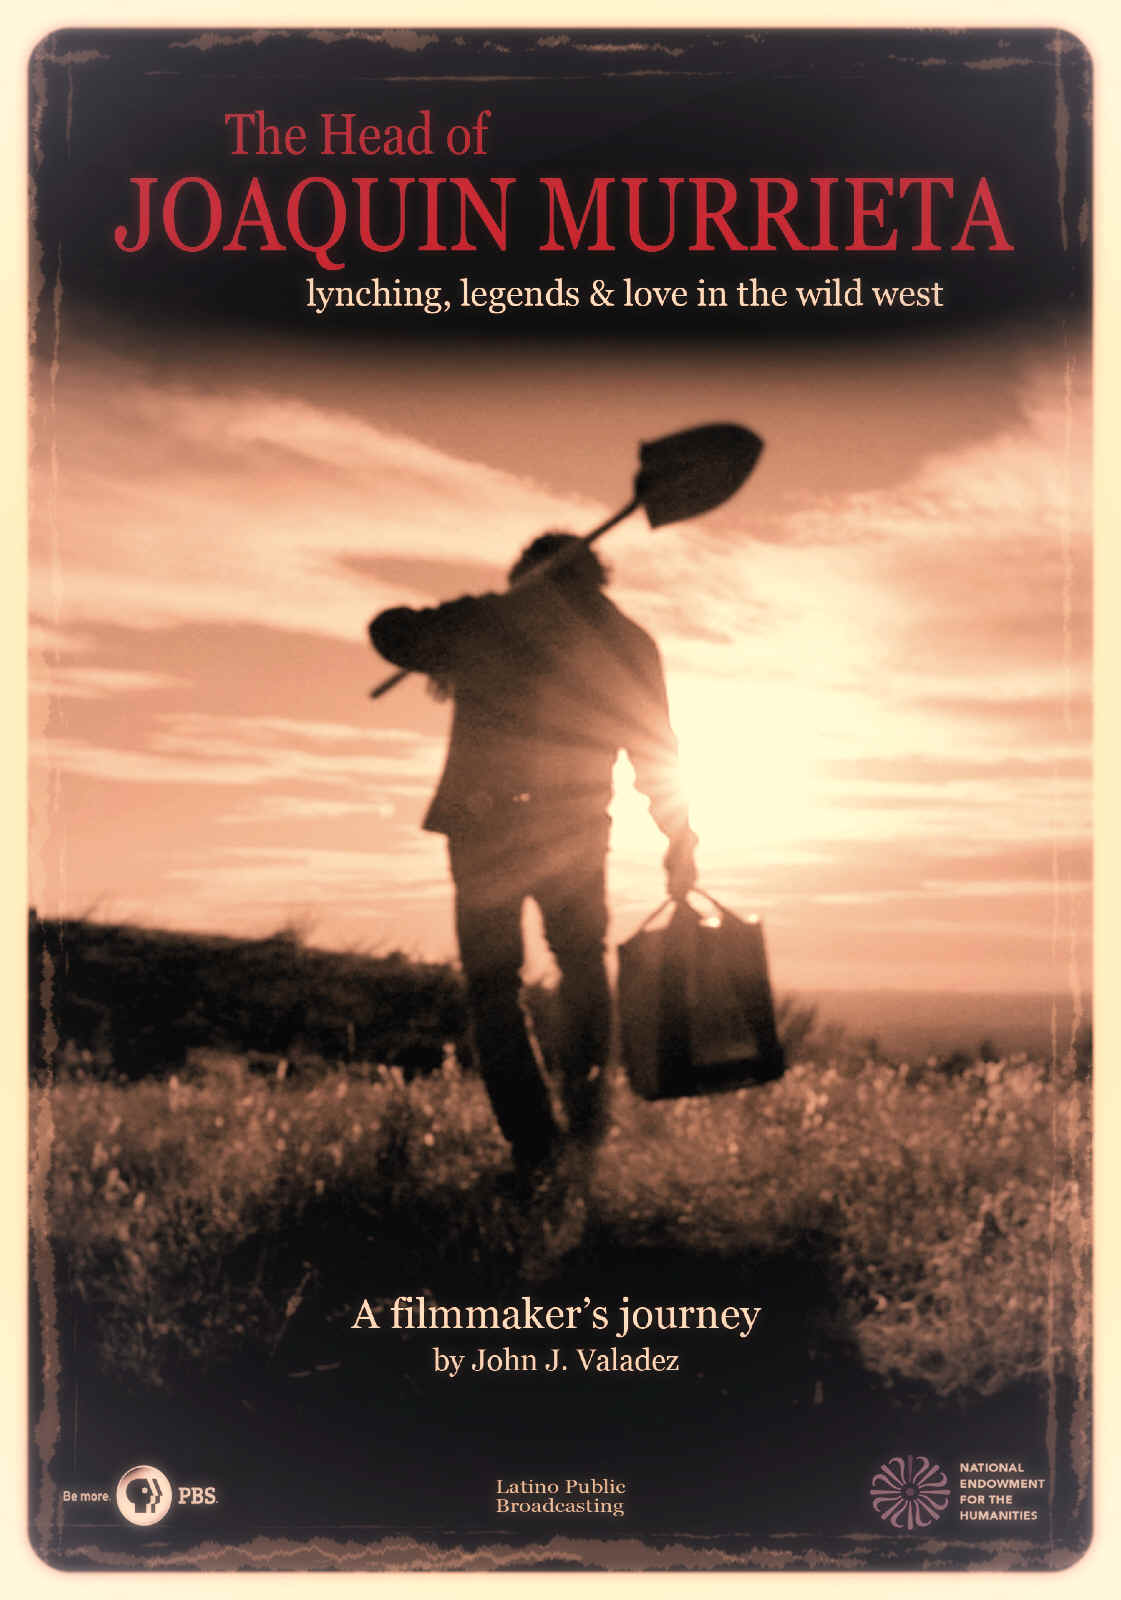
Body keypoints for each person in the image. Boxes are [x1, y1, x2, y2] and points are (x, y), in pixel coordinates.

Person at [369, 532, 697, 1189]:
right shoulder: (627, 640)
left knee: (493, 984)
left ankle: (532, 1141)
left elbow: (392, 631)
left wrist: (486, 606)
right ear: (592, 573)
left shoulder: (489, 618)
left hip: (485, 825)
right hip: (572, 827)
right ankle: (584, 1124)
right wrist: (678, 838)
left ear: (529, 570)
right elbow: (656, 754)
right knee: (580, 964)